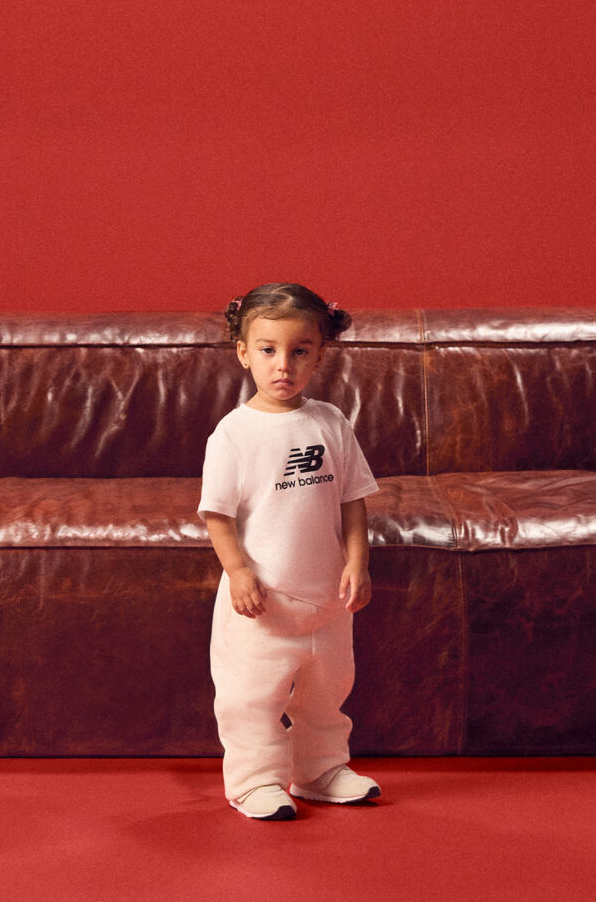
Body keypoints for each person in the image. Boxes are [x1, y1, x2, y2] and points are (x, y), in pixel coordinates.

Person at [199, 283, 382, 820]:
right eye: (268, 349)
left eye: (300, 351)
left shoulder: (331, 422)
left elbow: (351, 500)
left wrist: (358, 562)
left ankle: (320, 770)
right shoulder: (234, 434)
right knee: (251, 696)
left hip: (327, 596)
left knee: (328, 691)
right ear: (243, 352)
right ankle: (255, 781)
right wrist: (238, 572)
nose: (284, 365)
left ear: (319, 355)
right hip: (261, 602)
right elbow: (218, 515)